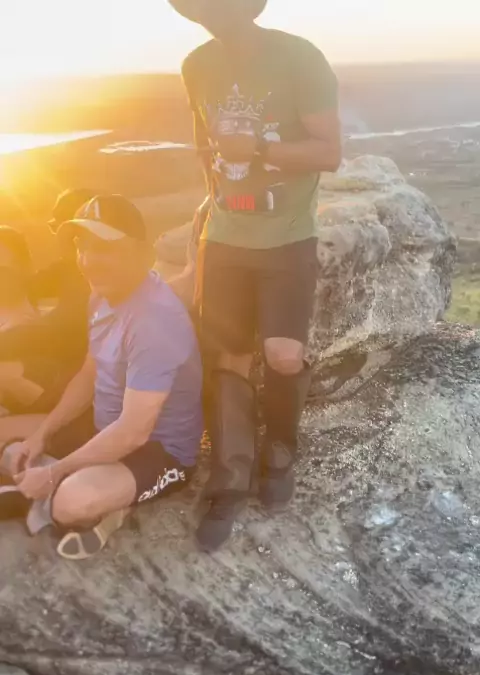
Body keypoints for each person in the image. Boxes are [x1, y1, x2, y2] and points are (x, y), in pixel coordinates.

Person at [168, 0, 341, 551]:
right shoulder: (197, 65)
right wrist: (206, 213)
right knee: (229, 357)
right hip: (225, 236)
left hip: (287, 234)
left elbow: (329, 152)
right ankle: (230, 477)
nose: (211, 13)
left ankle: (281, 452)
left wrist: (261, 146)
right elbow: (205, 147)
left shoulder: (298, 57)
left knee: (283, 354)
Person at [0, 194, 203, 559]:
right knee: (14, 441)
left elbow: (134, 431)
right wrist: (42, 434)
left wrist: (55, 472)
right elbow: (88, 374)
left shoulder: (155, 323)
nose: (89, 260)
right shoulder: (101, 295)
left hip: (157, 451)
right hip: (102, 426)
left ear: (140, 252)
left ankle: (75, 495)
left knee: (72, 503)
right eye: (83, 247)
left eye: (105, 248)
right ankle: (58, 485)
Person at [0, 226, 68, 414]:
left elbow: (49, 407)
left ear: (25, 268)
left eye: (3, 269)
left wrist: (12, 381)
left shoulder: (36, 331)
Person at [27, 187, 96, 370]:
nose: (55, 237)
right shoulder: (65, 268)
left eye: (57, 228)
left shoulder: (98, 276)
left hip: (83, 371)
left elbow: (67, 324)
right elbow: (23, 287)